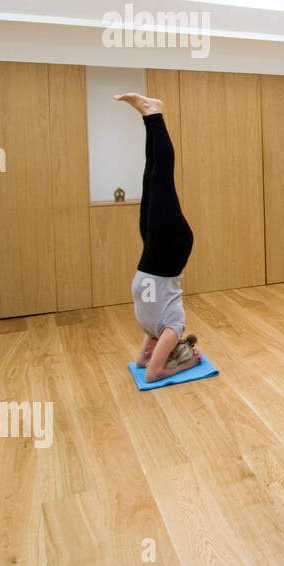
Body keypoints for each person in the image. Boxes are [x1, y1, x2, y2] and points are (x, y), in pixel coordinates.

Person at [115, 93, 202, 383]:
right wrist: (185, 366)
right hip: (168, 249)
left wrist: (166, 359)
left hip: (155, 258)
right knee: (161, 177)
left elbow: (143, 363)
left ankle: (148, 116)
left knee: (150, 177)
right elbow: (154, 373)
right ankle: (154, 114)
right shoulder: (173, 327)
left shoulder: (153, 331)